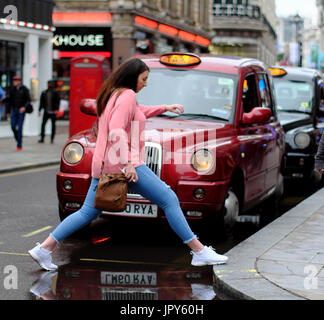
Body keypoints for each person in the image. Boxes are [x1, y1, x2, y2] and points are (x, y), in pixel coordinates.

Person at [28, 58, 228, 271]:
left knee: (87, 213)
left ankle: (45, 248)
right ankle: (198, 251)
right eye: (144, 79)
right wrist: (129, 164)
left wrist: (165, 107)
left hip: (108, 166)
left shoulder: (116, 94)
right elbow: (116, 130)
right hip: (124, 166)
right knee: (169, 199)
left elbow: (139, 112)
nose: (146, 83)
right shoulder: (128, 95)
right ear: (133, 77)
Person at [5, 75, 31, 151]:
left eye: (15, 80)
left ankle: (19, 145)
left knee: (19, 127)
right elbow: (9, 101)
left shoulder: (25, 89)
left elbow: (29, 100)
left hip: (21, 111)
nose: (14, 82)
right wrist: (7, 112)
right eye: (13, 80)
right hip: (13, 110)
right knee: (13, 126)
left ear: (19, 81)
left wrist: (24, 107)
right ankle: (18, 139)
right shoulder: (12, 90)